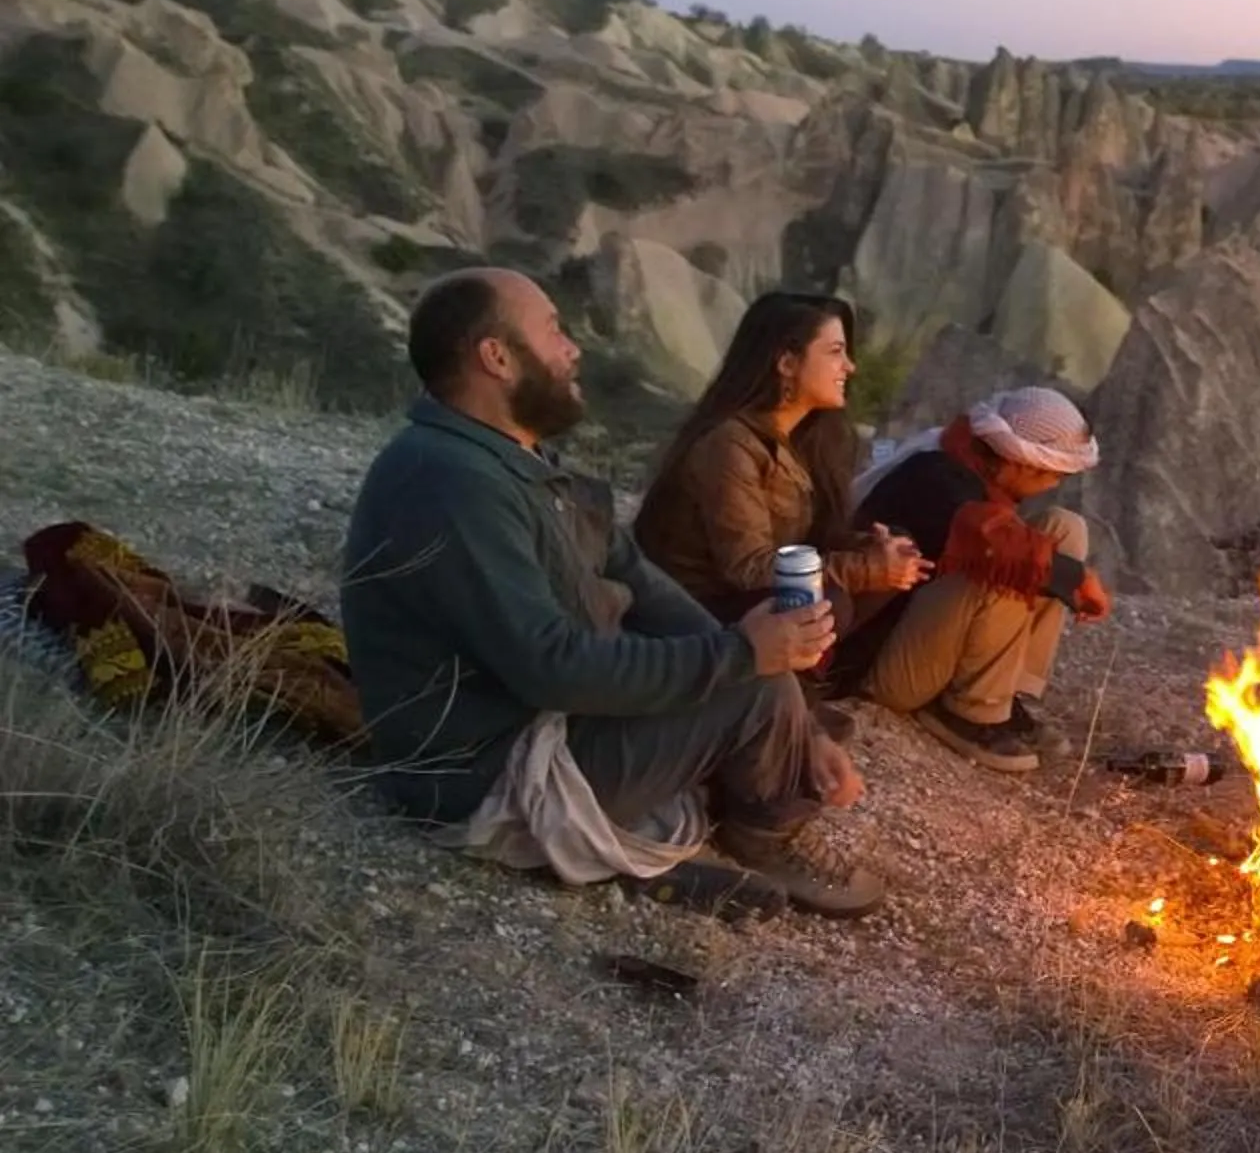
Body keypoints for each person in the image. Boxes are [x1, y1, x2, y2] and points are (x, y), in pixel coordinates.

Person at [341, 268, 881, 917]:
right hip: (491, 776)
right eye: (553, 331)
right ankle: (763, 834)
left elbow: (642, 583)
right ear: (497, 356)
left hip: (550, 726)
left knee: (759, 668)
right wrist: (741, 659)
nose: (573, 349)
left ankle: (732, 789)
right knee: (750, 682)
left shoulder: (517, 463)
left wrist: (795, 710)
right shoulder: (452, 481)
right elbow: (553, 667)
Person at [838, 387, 1110, 773]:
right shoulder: (934, 475)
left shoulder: (969, 462)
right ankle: (971, 710)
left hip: (928, 634)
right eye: (1052, 474)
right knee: (1004, 566)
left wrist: (1071, 573)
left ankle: (1006, 690)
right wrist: (1076, 577)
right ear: (1021, 463)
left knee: (1065, 529)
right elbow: (991, 540)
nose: (1053, 484)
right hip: (881, 665)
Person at [632, 290, 929, 626]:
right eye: (835, 352)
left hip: (754, 597)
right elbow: (750, 569)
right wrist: (865, 568)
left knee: (901, 552)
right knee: (828, 600)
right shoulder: (729, 444)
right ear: (787, 363)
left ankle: (848, 678)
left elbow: (812, 541)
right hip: (699, 616)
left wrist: (872, 549)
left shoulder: (806, 441)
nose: (850, 366)